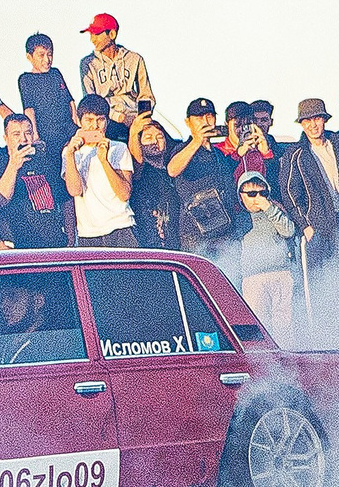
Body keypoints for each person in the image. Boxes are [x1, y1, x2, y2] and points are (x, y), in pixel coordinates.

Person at [281, 98, 339, 245]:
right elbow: (290, 194)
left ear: (324, 120)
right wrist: (306, 226)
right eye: (307, 121)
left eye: (316, 118)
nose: (312, 125)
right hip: (318, 227)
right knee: (323, 268)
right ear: (301, 124)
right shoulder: (295, 155)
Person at [166, 99, 240, 264]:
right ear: (188, 122)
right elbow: (172, 169)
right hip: (196, 234)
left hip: (224, 231)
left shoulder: (219, 154)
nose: (205, 122)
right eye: (199, 118)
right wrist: (197, 141)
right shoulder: (182, 149)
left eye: (209, 116)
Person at [0, 112, 68, 249]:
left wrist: (70, 237)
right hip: (22, 248)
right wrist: (13, 166)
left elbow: (65, 199)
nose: (23, 139)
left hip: (55, 244)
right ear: (6, 139)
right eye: (16, 134)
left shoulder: (46, 163)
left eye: (28, 133)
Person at [64, 97, 137, 247]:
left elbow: (124, 194)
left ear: (107, 122)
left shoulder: (119, 148)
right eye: (89, 120)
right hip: (88, 233)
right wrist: (70, 155)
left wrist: (104, 160)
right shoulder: (70, 152)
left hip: (121, 226)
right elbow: (75, 190)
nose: (94, 126)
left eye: (100, 120)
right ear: (79, 121)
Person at [235, 171, 297, 334]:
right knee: (260, 326)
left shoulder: (275, 212)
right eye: (252, 193)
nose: (258, 198)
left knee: (284, 325)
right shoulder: (240, 218)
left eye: (263, 193)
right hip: (253, 278)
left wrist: (270, 208)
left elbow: (289, 231)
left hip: (281, 273)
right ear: (241, 196)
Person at [78, 13, 153, 127]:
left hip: (134, 117)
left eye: (97, 34)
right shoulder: (88, 64)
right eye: (91, 34)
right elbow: (89, 101)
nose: (92, 39)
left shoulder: (134, 59)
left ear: (112, 34)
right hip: (104, 120)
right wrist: (119, 117)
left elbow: (145, 95)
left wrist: (142, 119)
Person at [127, 116, 180, 248]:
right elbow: (136, 161)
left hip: (176, 241)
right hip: (151, 242)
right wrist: (133, 133)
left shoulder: (173, 169)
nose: (154, 142)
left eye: (159, 137)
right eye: (148, 138)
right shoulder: (139, 171)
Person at [15, 35, 79, 144]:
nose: (47, 59)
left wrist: (78, 125)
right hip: (47, 133)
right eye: (41, 55)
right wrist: (35, 136)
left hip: (68, 129)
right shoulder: (26, 79)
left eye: (50, 54)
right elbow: (29, 109)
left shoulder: (55, 73)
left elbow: (70, 101)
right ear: (29, 57)